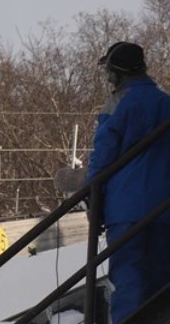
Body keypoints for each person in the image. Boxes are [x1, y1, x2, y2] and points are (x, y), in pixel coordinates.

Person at [87, 41, 170, 323]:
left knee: (129, 283)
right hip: (164, 209)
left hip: (125, 212)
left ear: (114, 74)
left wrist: (93, 199)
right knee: (161, 286)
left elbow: (104, 156)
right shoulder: (165, 103)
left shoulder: (118, 104)